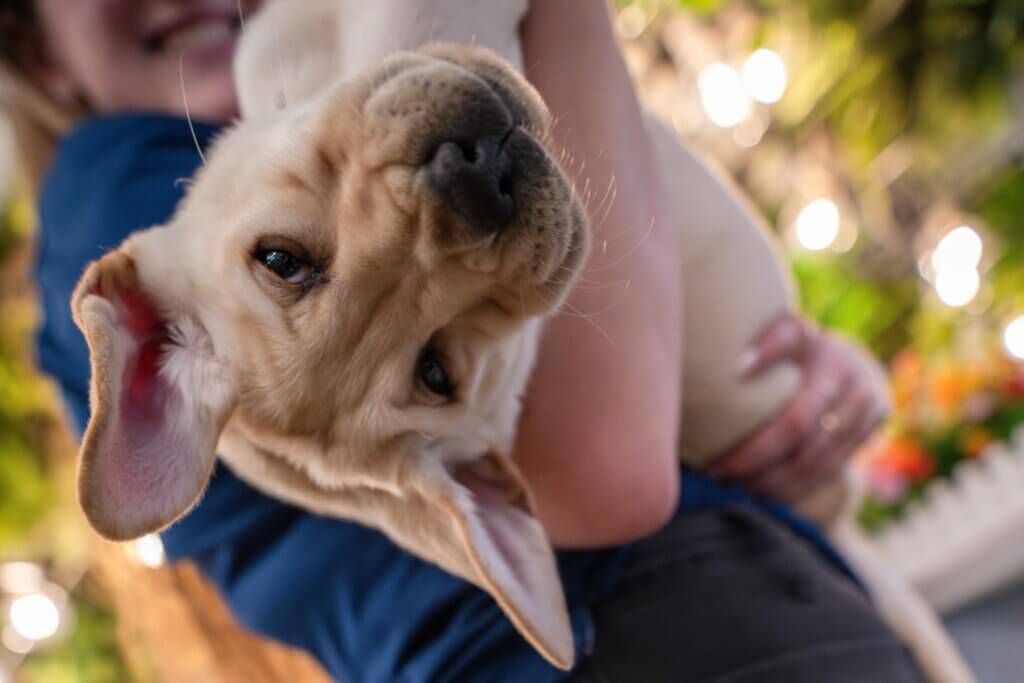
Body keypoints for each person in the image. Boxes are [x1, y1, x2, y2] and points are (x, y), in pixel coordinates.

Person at [1, 1, 922, 681]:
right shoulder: (111, 185)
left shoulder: (287, 120)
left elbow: (603, 396)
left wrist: (758, 375)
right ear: (32, 51)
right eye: (284, 259)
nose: (459, 184)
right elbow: (608, 476)